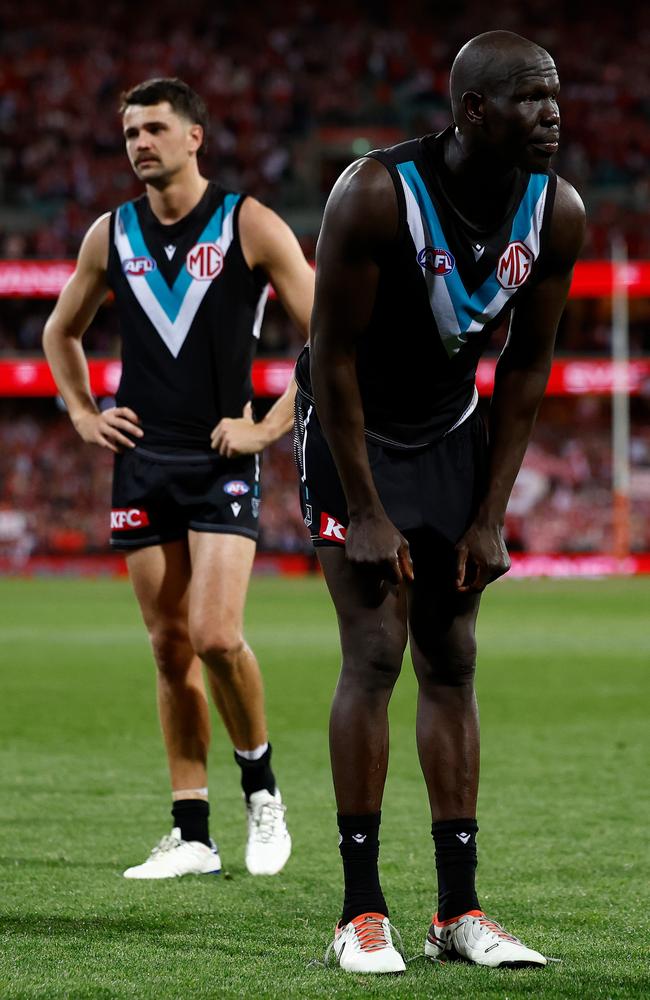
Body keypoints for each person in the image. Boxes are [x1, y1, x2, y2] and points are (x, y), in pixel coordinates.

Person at [294, 31, 585, 972]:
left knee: (452, 657)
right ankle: (359, 911)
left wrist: (490, 512)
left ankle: (457, 913)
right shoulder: (375, 193)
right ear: (472, 111)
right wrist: (368, 510)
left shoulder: (559, 211)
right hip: (353, 429)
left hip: (453, 430)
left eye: (556, 96)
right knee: (376, 651)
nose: (553, 114)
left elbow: (528, 366)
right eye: (531, 99)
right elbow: (330, 356)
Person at [44, 78, 314, 879]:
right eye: (130, 132)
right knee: (168, 649)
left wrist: (268, 425)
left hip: (222, 460)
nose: (140, 143)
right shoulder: (111, 233)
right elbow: (63, 332)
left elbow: (328, 329)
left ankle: (262, 792)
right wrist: (83, 414)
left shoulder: (247, 223)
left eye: (156, 128)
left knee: (216, 636)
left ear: (196, 136)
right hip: (141, 462)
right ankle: (192, 832)